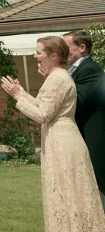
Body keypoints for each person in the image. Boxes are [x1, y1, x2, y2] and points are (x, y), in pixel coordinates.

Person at [1, 36, 105, 231]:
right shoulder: (57, 76)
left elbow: (43, 115)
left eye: (38, 52)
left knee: (66, 193)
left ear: (53, 55)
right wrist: (21, 92)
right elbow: (42, 105)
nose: (35, 55)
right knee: (67, 193)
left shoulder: (57, 78)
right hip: (60, 138)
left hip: (63, 142)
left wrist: (17, 96)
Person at [62, 31, 105, 209]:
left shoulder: (89, 69)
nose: (63, 51)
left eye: (67, 47)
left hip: (92, 135)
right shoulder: (71, 70)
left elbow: (76, 100)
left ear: (82, 47)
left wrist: (53, 80)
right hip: (80, 134)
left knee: (98, 181)